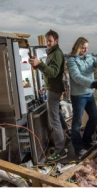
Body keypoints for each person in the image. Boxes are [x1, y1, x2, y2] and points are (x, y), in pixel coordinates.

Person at [67, 37, 97, 157]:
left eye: (87, 48)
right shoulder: (71, 60)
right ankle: (78, 147)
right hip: (78, 95)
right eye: (83, 48)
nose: (85, 50)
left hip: (89, 94)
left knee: (94, 118)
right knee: (76, 123)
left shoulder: (88, 57)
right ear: (77, 47)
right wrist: (93, 83)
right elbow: (76, 76)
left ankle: (87, 139)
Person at [29, 30, 67, 161]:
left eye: (50, 40)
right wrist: (44, 85)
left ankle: (60, 150)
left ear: (56, 41)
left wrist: (40, 64)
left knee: (54, 120)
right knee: (58, 115)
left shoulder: (56, 53)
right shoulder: (52, 52)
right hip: (52, 88)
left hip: (54, 90)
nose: (48, 43)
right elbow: (50, 74)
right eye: (47, 41)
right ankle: (66, 133)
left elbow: (54, 73)